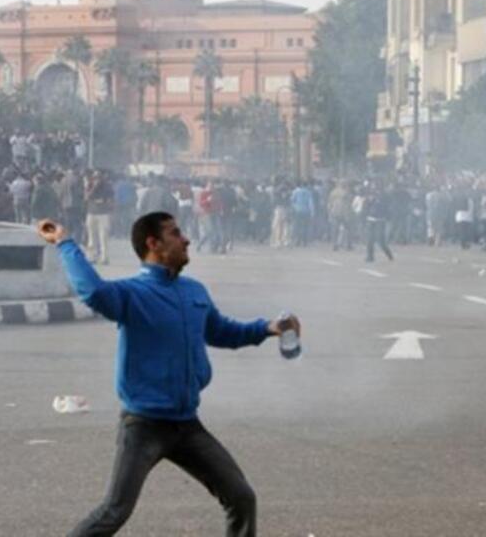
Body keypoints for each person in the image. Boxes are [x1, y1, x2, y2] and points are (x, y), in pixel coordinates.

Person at [37, 212, 301, 537]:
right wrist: (65, 242)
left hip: (187, 426)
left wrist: (268, 328)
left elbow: (221, 331)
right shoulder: (132, 294)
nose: (186, 239)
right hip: (144, 426)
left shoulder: (194, 291)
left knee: (241, 497)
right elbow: (93, 292)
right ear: (153, 244)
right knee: (114, 511)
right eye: (176, 234)